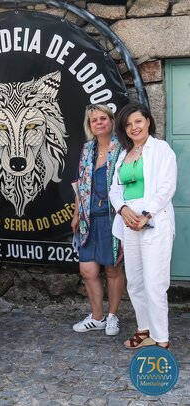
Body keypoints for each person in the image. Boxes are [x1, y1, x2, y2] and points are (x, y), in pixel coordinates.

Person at [109, 103, 176, 349]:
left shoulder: (161, 149)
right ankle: (144, 330)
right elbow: (115, 190)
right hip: (129, 225)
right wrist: (124, 210)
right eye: (128, 124)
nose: (134, 127)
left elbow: (167, 187)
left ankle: (161, 339)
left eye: (138, 121)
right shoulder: (124, 155)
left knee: (154, 283)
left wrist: (146, 215)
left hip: (154, 224)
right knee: (135, 281)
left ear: (148, 121)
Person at [71, 104, 125, 336]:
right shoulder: (87, 149)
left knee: (112, 269)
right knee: (87, 271)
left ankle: (112, 316)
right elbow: (80, 185)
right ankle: (97, 317)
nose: (99, 122)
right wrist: (76, 213)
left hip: (112, 218)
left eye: (103, 118)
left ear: (111, 121)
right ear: (89, 125)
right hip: (87, 219)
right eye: (94, 120)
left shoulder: (122, 149)